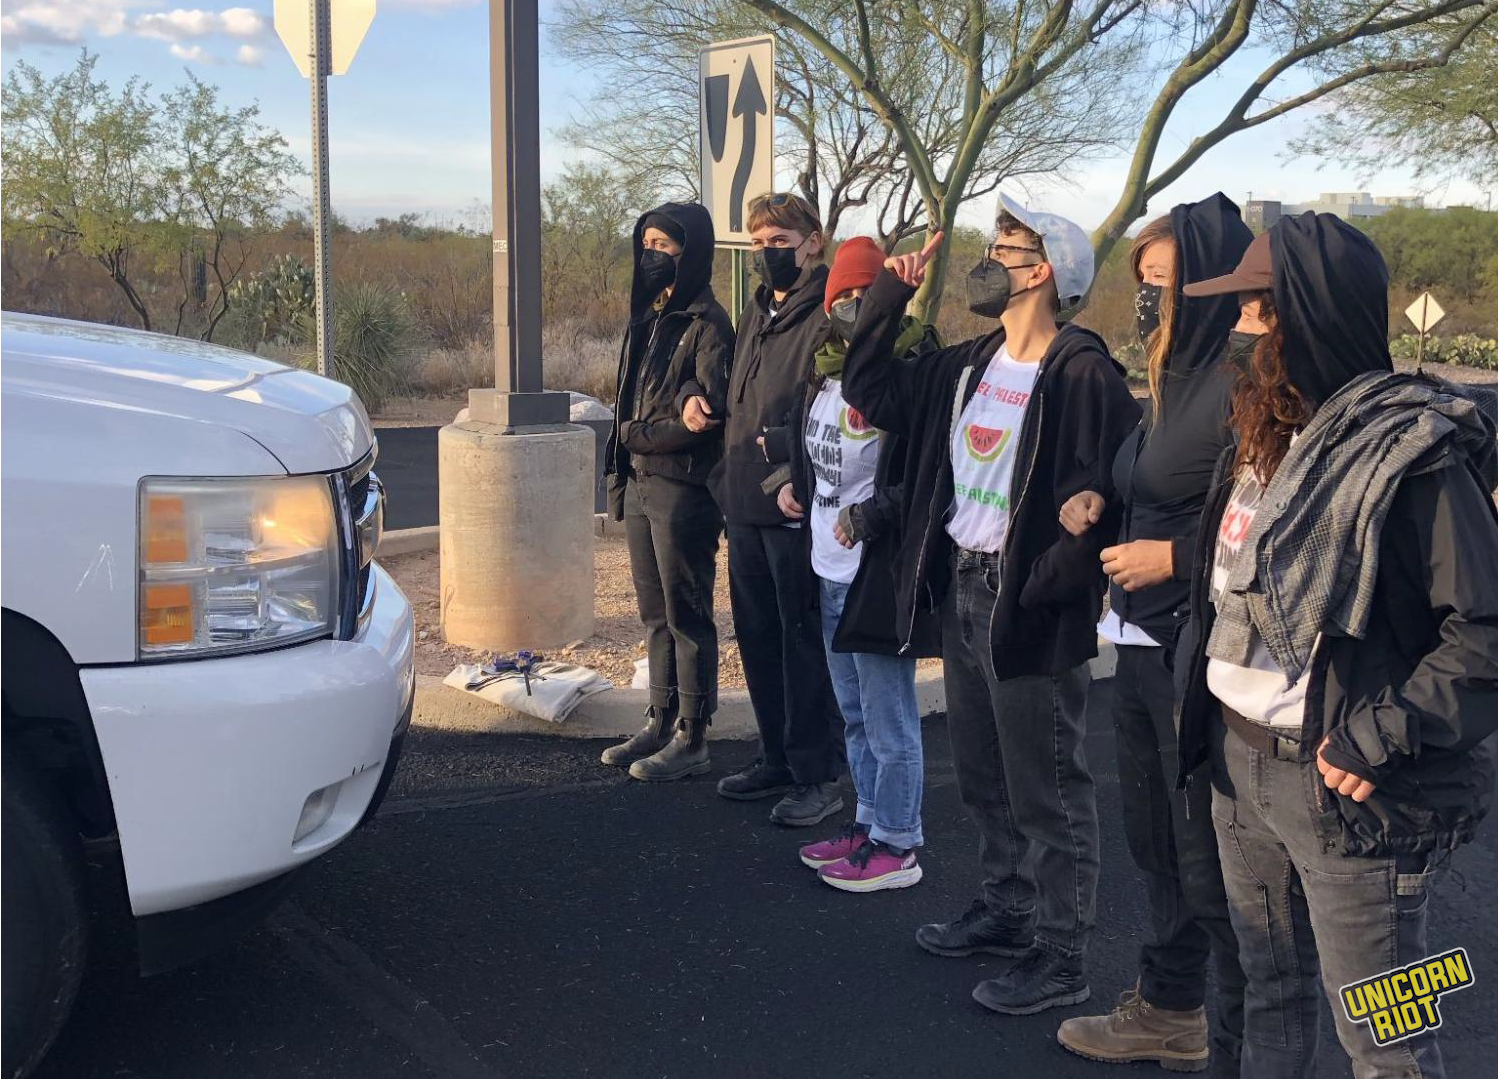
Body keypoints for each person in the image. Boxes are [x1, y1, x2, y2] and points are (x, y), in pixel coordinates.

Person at [1174, 213, 1498, 1078]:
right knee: (1270, 998)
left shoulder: (1413, 455)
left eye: (1254, 309)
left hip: (1348, 791)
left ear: (1305, 317)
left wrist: (1381, 734)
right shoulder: (1265, 437)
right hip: (1239, 767)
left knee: (1389, 1040)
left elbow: (1484, 631)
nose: (1237, 329)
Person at [842, 194, 1140, 1014]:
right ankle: (1008, 907)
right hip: (965, 590)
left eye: (1002, 249)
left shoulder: (1081, 371)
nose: (986, 261)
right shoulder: (968, 364)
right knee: (983, 771)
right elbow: (870, 389)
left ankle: (1062, 952)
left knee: (1048, 784)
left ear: (1040, 272)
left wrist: (1053, 571)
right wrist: (888, 297)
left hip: (1028, 604)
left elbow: (1119, 485)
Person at [1052, 194, 1253, 1076]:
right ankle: (1171, 1008)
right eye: (1142, 281)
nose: (1148, 300)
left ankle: (1239, 1033)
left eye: (1164, 282)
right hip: (1136, 642)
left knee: (1205, 855)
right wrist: (1099, 497)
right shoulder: (1170, 380)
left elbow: (1275, 525)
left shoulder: (1246, 390)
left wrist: (1173, 556)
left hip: (1196, 652)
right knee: (1157, 842)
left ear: (1208, 286)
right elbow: (1152, 481)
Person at [760, 236, 942, 891]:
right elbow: (818, 452)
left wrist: (874, 515)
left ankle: (898, 840)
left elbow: (926, 473)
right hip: (828, 568)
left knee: (890, 720)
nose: (856, 306)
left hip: (877, 572)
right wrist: (793, 482)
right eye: (845, 296)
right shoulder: (823, 370)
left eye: (869, 294)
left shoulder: (912, 371)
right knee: (856, 715)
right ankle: (866, 823)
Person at [710, 193, 844, 827]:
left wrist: (795, 461)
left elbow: (836, 401)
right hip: (743, 501)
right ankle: (777, 758)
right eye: (758, 242)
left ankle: (818, 775)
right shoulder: (758, 310)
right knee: (759, 637)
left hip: (794, 501)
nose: (767, 253)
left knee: (802, 642)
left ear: (812, 242)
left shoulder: (829, 312)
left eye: (779, 242)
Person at [600, 203, 732, 781]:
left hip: (683, 486)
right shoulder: (649, 315)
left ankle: (693, 734)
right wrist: (623, 458)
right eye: (646, 243)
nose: (651, 254)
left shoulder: (708, 323)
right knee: (655, 614)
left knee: (687, 614)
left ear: (690, 252)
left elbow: (710, 413)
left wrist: (636, 435)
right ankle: (660, 718)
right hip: (639, 480)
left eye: (664, 245)